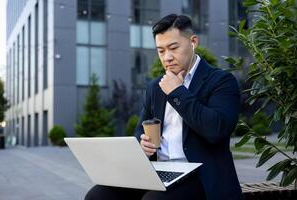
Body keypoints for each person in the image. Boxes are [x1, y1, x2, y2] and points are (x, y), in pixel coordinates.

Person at [85, 14, 243, 200]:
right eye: (161, 51)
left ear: (193, 42)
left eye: (173, 48)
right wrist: (142, 144)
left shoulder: (221, 81)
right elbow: (140, 132)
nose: (167, 57)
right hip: (159, 172)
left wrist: (177, 92)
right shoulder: (155, 87)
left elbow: (216, 130)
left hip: (201, 176)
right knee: (98, 195)